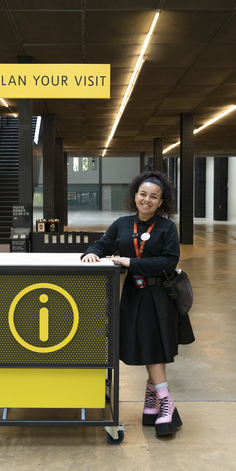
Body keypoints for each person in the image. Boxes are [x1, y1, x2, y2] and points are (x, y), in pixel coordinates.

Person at [81, 170, 195, 437]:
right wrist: (91, 253)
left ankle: (166, 403)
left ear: (161, 201)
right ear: (135, 195)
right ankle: (152, 404)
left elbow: (168, 262)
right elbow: (102, 244)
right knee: (146, 345)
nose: (147, 200)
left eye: (154, 197)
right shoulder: (122, 224)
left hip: (160, 297)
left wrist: (128, 262)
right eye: (143, 194)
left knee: (154, 347)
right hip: (134, 295)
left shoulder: (167, 227)